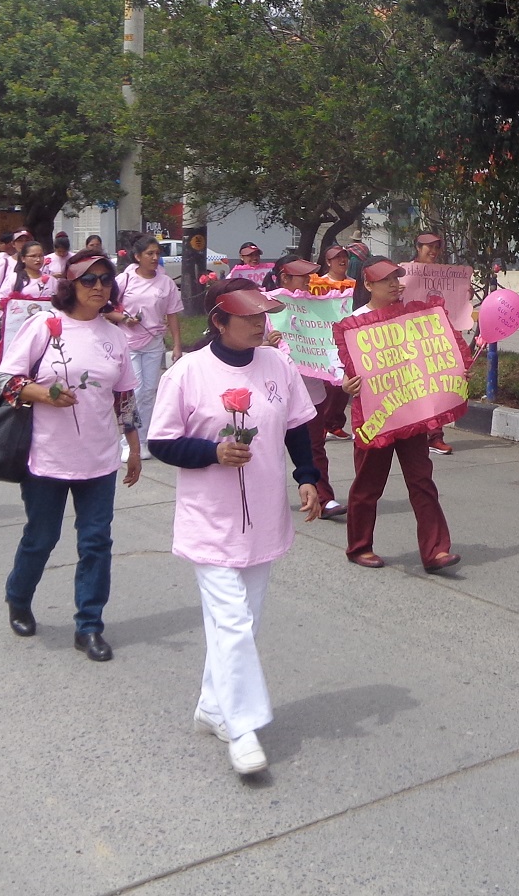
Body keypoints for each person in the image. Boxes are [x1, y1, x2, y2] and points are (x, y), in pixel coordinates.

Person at [147, 277, 322, 774]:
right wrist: (213, 452)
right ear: (218, 321)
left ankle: (212, 706)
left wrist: (307, 477)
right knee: (232, 623)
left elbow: (295, 427)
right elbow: (162, 441)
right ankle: (243, 728)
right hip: (211, 519)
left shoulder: (278, 365)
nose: (258, 324)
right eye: (247, 317)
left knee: (245, 620)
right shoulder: (187, 374)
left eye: (263, 315)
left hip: (264, 515)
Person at [0, 251, 141, 660]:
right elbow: (8, 382)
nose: (99, 287)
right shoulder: (45, 325)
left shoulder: (114, 335)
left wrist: (132, 445)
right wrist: (44, 393)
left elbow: (125, 395)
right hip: (47, 455)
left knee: (96, 542)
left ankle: (89, 625)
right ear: (70, 285)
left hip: (99, 458)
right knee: (42, 537)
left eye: (105, 279)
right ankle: (19, 596)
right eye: (88, 280)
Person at [339, 258, 458, 571]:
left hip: (411, 413)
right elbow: (338, 367)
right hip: (375, 419)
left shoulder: (413, 316)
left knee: (422, 482)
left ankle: (435, 551)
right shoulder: (354, 323)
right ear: (368, 286)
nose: (394, 285)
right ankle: (359, 546)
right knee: (368, 485)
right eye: (385, 280)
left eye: (396, 278)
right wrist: (346, 383)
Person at [266, 256, 344, 519]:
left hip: (310, 392)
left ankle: (324, 498)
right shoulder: (265, 308)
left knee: (315, 445)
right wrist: (266, 343)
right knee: (264, 447)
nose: (308, 282)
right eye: (301, 276)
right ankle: (261, 496)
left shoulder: (317, 308)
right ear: (284, 278)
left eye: (309, 276)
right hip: (272, 392)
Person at [113, 237, 184, 440]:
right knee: (134, 391)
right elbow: (107, 310)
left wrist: (177, 346)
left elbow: (172, 315)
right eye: (149, 254)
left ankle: (143, 438)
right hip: (128, 342)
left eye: (157, 254)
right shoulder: (124, 280)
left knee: (150, 391)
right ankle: (127, 439)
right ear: (137, 257)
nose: (154, 258)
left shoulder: (166, 283)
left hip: (154, 342)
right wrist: (125, 319)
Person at [409, 232, 456, 455]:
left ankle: (435, 435)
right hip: (409, 338)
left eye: (436, 247)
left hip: (436, 338)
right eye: (428, 247)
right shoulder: (404, 273)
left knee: (436, 386)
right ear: (418, 248)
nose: (433, 251)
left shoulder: (444, 275)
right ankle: (416, 433)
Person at [0, 238, 53, 362]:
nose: (38, 259)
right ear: (23, 258)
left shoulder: (52, 281)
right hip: (17, 332)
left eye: (40, 256)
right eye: (33, 256)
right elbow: (1, 304)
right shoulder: (14, 279)